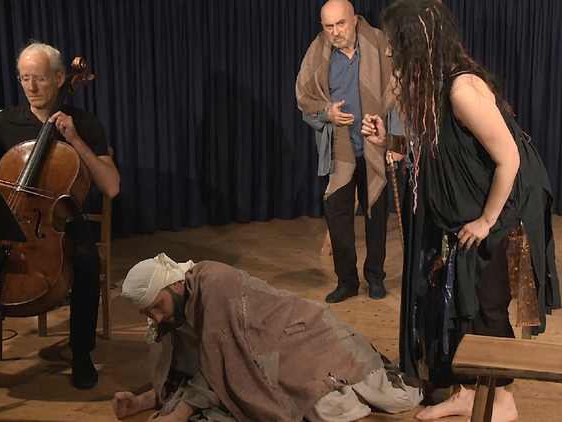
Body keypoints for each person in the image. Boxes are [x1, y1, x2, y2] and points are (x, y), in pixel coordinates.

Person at [361, 1, 560, 421]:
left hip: (502, 210)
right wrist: (389, 142)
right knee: (459, 303)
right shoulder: (432, 90)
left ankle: (503, 401)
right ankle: (469, 392)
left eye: (395, 43)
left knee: (486, 304)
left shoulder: (461, 89)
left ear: (418, 41)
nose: (390, 52)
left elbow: (510, 158)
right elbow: (438, 152)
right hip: (468, 212)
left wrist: (487, 221)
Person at [0, 41, 120, 389]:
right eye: (24, 78)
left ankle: (81, 353)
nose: (31, 87)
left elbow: (111, 186)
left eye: (40, 78)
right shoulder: (7, 120)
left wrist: (75, 140)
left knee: (86, 260)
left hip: (61, 220)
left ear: (61, 78)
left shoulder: (84, 123)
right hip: (12, 216)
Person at [113, 253, 423, 422]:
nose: (157, 318)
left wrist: (180, 414)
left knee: (362, 404)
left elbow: (220, 361)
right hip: (266, 353)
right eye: (148, 313)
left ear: (174, 285)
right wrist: (143, 401)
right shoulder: (177, 312)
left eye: (157, 306)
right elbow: (201, 365)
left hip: (308, 337)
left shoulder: (213, 284)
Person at [296, 0, 402, 303]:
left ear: (354, 20)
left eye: (340, 24)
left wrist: (394, 141)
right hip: (338, 151)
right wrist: (327, 114)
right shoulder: (317, 53)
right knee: (338, 218)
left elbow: (398, 94)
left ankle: (375, 277)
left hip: (375, 146)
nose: (335, 32)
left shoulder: (379, 44)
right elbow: (305, 101)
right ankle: (347, 281)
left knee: (376, 217)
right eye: (328, 26)